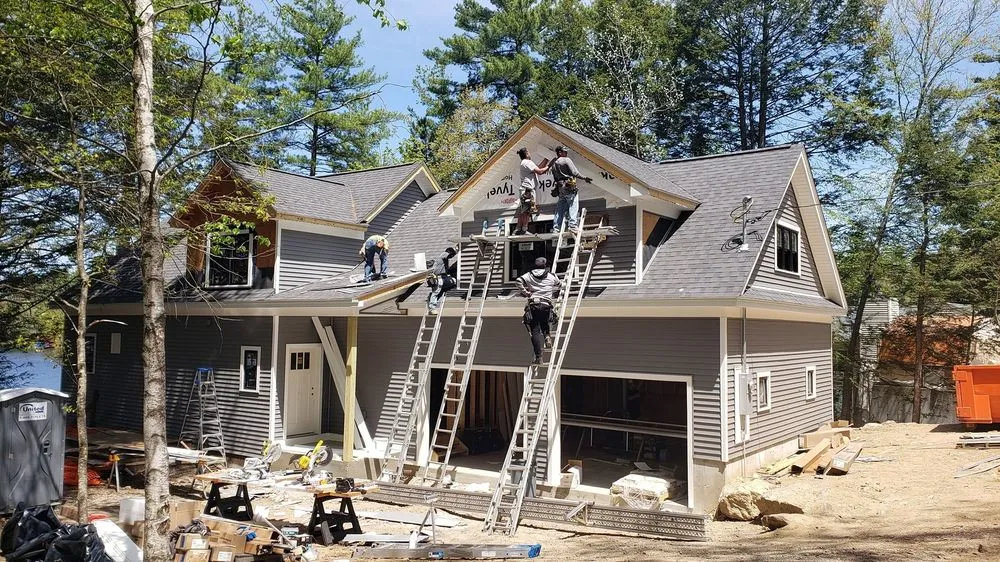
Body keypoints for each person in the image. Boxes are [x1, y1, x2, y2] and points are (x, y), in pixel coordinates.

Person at [515, 256, 563, 364]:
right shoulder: (551, 276)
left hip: (534, 305)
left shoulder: (529, 275)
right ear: (545, 265)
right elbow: (560, 285)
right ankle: (547, 336)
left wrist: (525, 292)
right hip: (546, 304)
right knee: (544, 321)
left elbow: (518, 281)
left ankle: (538, 358)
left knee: (535, 331)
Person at [549, 145, 592, 232]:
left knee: (560, 207)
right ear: (560, 152)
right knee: (573, 204)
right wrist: (585, 178)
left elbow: (555, 177)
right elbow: (575, 173)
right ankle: (572, 225)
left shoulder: (553, 163)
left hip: (560, 187)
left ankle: (556, 227)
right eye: (564, 151)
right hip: (569, 187)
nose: (566, 153)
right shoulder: (566, 160)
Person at [515, 147, 550, 235]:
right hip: (528, 190)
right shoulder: (527, 162)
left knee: (523, 210)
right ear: (527, 154)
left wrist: (546, 159)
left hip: (525, 189)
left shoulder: (524, 163)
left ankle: (518, 229)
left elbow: (537, 168)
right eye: (529, 153)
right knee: (527, 210)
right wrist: (550, 164)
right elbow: (540, 171)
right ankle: (524, 229)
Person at [427, 246, 458, 312]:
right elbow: (449, 255)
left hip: (443, 277)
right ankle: (432, 308)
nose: (451, 257)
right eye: (451, 255)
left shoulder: (444, 262)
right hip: (439, 278)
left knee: (451, 283)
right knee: (436, 292)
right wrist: (456, 251)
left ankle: (431, 298)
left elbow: (448, 270)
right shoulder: (443, 254)